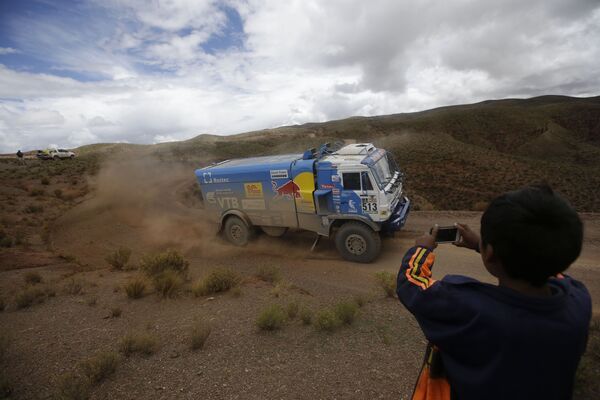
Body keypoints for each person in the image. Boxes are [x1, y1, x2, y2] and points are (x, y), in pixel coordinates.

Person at [396, 185, 591, 400]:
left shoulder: (468, 309)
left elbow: (411, 283)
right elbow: (552, 269)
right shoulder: (578, 302)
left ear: (490, 255)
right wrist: (484, 246)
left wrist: (422, 249)